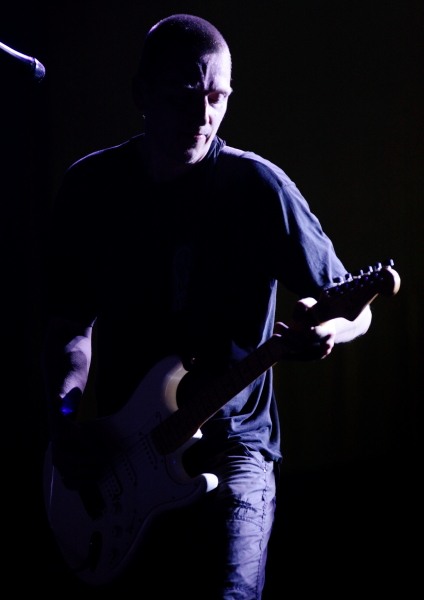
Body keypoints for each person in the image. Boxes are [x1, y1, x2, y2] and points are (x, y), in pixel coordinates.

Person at [43, 14, 371, 599]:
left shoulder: (260, 189)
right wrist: (66, 417)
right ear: (141, 94)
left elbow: (354, 306)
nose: (203, 117)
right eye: (183, 97)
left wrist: (332, 332)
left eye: (218, 98)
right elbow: (71, 327)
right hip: (126, 456)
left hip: (234, 446)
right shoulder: (91, 189)